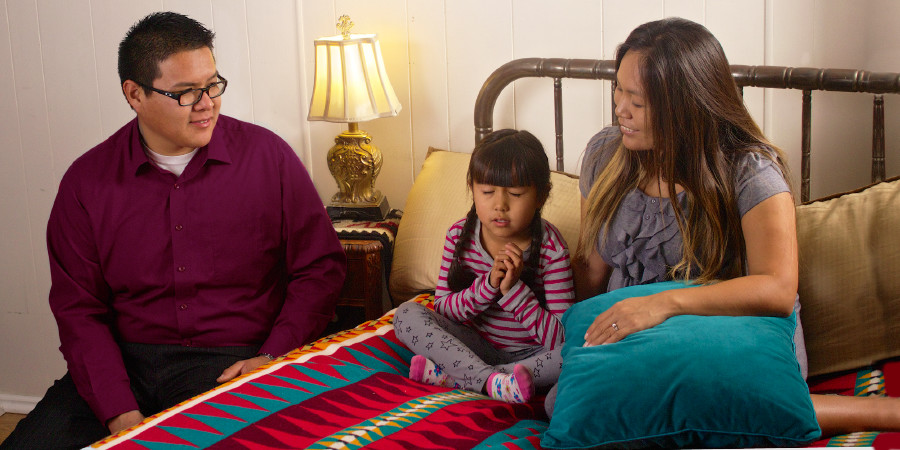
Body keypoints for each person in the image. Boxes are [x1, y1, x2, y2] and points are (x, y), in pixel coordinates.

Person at [1, 11, 346, 449]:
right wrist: (119, 412)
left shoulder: (268, 157)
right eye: (185, 93)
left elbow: (319, 269)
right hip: (124, 362)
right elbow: (79, 311)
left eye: (212, 84)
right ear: (135, 94)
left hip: (231, 360)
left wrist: (273, 356)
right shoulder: (86, 182)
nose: (207, 103)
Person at [567, 16, 900, 435]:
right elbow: (591, 269)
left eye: (638, 99)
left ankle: (880, 412)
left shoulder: (749, 170)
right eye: (619, 88)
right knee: (572, 401)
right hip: (637, 335)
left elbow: (776, 289)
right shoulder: (605, 154)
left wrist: (661, 303)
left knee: (671, 401)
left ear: (686, 104)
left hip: (728, 335)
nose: (621, 108)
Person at [393, 129, 575, 404]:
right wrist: (487, 287)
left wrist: (514, 292)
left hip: (532, 356)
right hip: (472, 347)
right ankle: (492, 381)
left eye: (515, 193)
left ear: (541, 196)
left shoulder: (552, 249)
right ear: (472, 188)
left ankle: (460, 377)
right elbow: (443, 309)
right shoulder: (459, 235)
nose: (499, 205)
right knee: (406, 314)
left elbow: (561, 338)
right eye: (487, 192)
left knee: (576, 351)